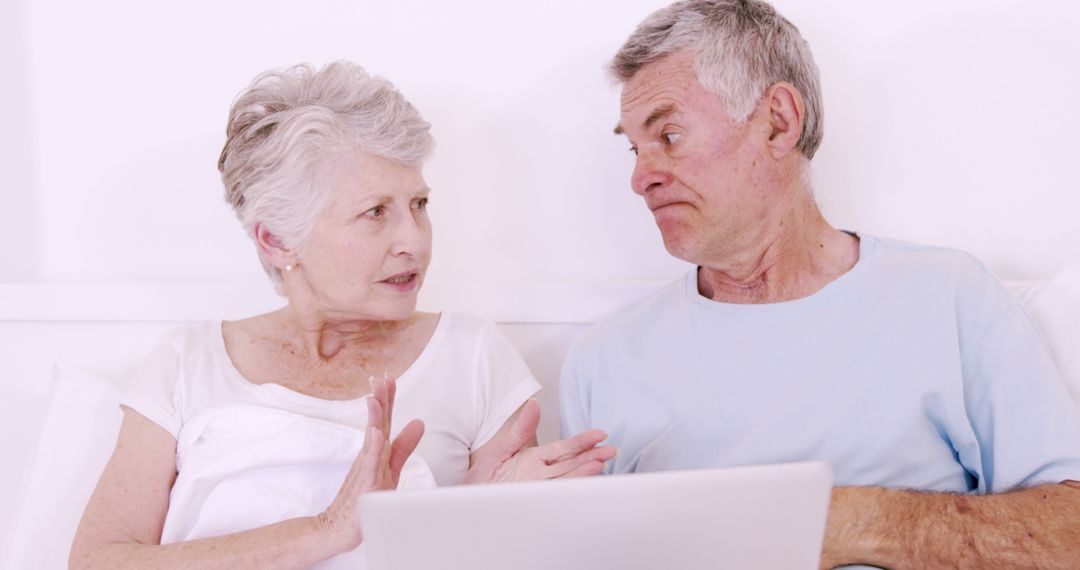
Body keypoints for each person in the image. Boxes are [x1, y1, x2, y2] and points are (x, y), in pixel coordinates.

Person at [559, 1, 1080, 568]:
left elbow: (1068, 531)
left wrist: (834, 522)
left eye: (670, 134)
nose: (640, 178)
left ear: (779, 121)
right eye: (635, 148)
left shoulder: (953, 298)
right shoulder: (601, 362)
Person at [70, 61, 615, 569]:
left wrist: (483, 509)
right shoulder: (187, 362)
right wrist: (330, 528)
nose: (414, 241)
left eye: (419, 205)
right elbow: (97, 562)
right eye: (375, 212)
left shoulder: (474, 355)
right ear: (277, 239)